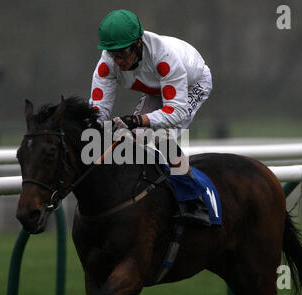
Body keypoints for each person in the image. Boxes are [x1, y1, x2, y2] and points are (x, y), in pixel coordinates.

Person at [89, 9, 213, 226]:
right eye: (112, 53)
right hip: (160, 88)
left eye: (123, 53)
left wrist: (138, 120)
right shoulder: (107, 63)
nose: (118, 61)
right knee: (132, 137)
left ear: (138, 44)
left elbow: (177, 111)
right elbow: (98, 112)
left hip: (193, 83)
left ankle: (194, 201)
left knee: (161, 137)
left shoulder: (164, 57)